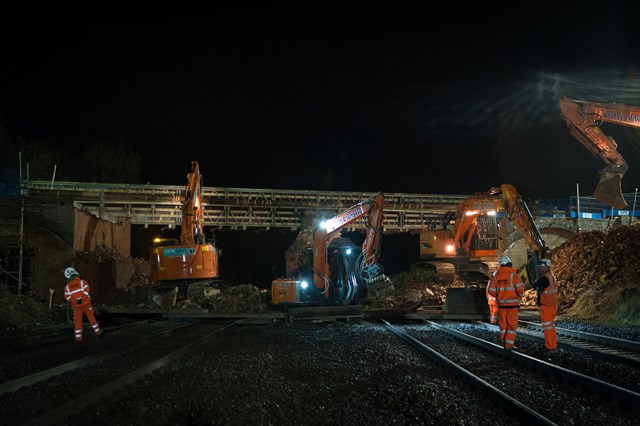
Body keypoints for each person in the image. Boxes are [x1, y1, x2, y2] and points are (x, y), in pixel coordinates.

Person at [487, 255, 525, 350]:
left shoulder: (496, 276)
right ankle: (509, 346)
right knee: (511, 326)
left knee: (503, 325)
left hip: (502, 306)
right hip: (513, 306)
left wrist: (499, 295)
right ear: (509, 264)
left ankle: (503, 342)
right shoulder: (514, 275)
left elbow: (491, 290)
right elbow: (520, 289)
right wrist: (518, 296)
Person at [63, 267, 103, 342]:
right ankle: (97, 332)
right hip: (86, 304)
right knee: (91, 317)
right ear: (77, 275)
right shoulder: (82, 282)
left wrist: (76, 301)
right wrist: (82, 299)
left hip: (76, 306)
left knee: (78, 321)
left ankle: (78, 337)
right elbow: (86, 291)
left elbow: (67, 296)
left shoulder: (67, 287)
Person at [533, 258, 558, 351]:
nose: (539, 268)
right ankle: (553, 345)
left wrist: (535, 283)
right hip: (552, 305)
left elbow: (536, 286)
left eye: (541, 267)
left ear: (546, 267)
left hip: (546, 305)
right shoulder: (551, 276)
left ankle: (549, 346)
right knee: (551, 326)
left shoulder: (544, 278)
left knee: (547, 327)